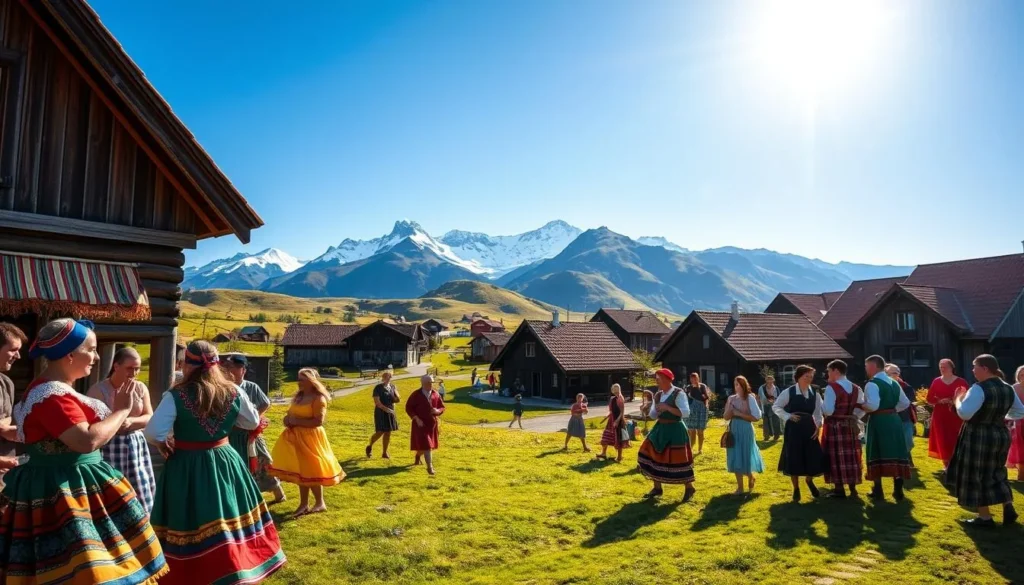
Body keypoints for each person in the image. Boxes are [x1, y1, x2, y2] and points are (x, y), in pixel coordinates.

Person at [1, 318, 167, 584]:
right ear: (69, 355)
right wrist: (121, 410)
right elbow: (85, 440)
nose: (96, 356)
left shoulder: (51, 390)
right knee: (88, 568)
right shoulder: (52, 396)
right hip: (63, 490)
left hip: (64, 483)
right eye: (90, 349)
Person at [146, 340, 284, 584]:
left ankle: (196, 572)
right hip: (225, 460)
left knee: (190, 517)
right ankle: (236, 566)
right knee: (229, 512)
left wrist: (162, 443)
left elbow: (154, 432)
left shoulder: (175, 395)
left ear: (186, 363)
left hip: (187, 464)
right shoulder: (233, 390)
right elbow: (252, 422)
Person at [946, 354, 1024, 526]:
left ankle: (985, 517)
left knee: (976, 473)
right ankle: (1008, 506)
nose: (973, 370)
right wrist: (997, 416)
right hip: (1000, 434)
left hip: (978, 436)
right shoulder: (1007, 388)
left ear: (985, 368)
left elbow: (965, 413)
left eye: (975, 366)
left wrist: (958, 399)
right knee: (997, 471)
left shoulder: (978, 388)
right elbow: (1020, 412)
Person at [86, 346, 157, 513]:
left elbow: (149, 416)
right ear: (116, 366)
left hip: (135, 446)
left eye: (137, 368)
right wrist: (115, 421)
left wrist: (131, 420)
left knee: (139, 488)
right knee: (112, 490)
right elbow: (90, 423)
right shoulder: (98, 390)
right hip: (108, 445)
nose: (133, 373)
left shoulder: (140, 388)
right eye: (129, 368)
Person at [269, 368, 345, 518]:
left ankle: (319, 503)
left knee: (311, 470)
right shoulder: (299, 396)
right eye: (298, 379)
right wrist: (287, 420)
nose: (298, 382)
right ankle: (304, 504)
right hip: (295, 438)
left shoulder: (318, 399)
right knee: (301, 472)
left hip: (311, 438)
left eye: (302, 379)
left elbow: (318, 421)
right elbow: (291, 413)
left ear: (311, 381)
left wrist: (296, 421)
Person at [220, 353, 287, 504]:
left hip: (252, 433)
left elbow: (265, 403)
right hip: (232, 433)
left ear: (242, 370)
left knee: (264, 460)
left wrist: (256, 417)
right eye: (226, 367)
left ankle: (278, 492)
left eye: (232, 367)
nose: (228, 370)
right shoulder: (223, 387)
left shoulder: (251, 387)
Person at [637, 369, 696, 501]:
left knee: (679, 459)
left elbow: (686, 413)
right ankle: (657, 487)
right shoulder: (657, 395)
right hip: (660, 428)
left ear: (666, 379)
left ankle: (689, 487)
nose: (656, 381)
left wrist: (668, 407)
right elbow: (653, 415)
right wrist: (647, 409)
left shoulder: (678, 393)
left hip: (676, 429)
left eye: (658, 379)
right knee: (649, 453)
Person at [861, 354, 912, 501]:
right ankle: (898, 490)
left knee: (876, 451)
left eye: (866, 366)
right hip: (894, 420)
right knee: (896, 451)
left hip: (878, 420)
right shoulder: (894, 382)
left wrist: (861, 405)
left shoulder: (872, 384)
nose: (866, 369)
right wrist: (892, 410)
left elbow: (873, 405)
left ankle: (878, 490)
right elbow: (905, 403)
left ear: (873, 366)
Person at [773, 365, 825, 502]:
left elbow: (818, 413)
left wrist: (818, 426)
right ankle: (796, 489)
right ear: (798, 377)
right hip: (794, 428)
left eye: (811, 376)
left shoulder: (815, 393)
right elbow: (776, 407)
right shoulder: (788, 392)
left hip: (809, 427)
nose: (809, 379)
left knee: (813, 456)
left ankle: (809, 480)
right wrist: (788, 416)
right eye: (806, 376)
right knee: (794, 457)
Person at [821, 360, 864, 499]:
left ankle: (839, 489)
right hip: (850, 425)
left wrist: (819, 407)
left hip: (835, 425)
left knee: (836, 456)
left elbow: (828, 410)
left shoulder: (831, 387)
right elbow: (860, 408)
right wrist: (853, 417)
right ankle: (853, 488)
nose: (828, 374)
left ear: (836, 371)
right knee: (851, 456)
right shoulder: (856, 388)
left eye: (829, 371)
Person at [724, 376, 764, 495]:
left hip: (746, 429)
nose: (738, 387)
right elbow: (725, 417)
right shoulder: (731, 398)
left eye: (740, 384)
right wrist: (730, 409)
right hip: (733, 429)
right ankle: (740, 487)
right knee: (735, 455)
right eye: (736, 384)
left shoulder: (750, 398)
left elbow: (756, 417)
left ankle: (750, 476)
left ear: (745, 385)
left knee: (745, 455)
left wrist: (739, 413)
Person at [927, 359, 968, 471]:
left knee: (956, 437)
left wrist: (954, 400)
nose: (942, 369)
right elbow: (929, 398)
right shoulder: (936, 381)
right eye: (941, 367)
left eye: (945, 366)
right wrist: (939, 401)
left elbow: (966, 397)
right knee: (942, 437)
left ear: (951, 368)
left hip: (955, 414)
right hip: (940, 414)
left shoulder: (961, 381)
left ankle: (957, 462)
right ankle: (946, 465)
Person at [0, 323, 26, 488]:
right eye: (12, 349)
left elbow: (11, 419)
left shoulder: (6, 383)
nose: (18, 356)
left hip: (4, 479)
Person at [406, 374, 445, 475]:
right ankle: (430, 467)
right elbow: (408, 408)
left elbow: (442, 407)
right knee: (427, 446)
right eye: (428, 382)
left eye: (432, 382)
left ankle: (418, 455)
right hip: (420, 425)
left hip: (432, 425)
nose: (431, 384)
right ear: (422, 383)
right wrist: (416, 418)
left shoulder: (436, 394)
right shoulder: (416, 394)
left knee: (427, 446)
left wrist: (437, 411)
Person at [885, 363, 919, 466]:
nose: (895, 375)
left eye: (896, 373)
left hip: (905, 418)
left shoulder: (906, 387)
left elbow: (909, 400)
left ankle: (906, 457)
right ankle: (901, 461)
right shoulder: (884, 386)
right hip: (889, 418)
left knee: (908, 441)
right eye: (892, 373)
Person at [367, 369, 401, 459]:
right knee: (380, 432)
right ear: (382, 377)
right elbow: (377, 403)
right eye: (385, 376)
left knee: (388, 432)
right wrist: (386, 409)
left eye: (389, 376)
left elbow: (397, 400)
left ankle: (384, 453)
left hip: (390, 411)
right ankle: (370, 446)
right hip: (381, 412)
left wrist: (397, 397)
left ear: (391, 377)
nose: (387, 378)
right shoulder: (378, 388)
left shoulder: (393, 387)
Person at [597, 384, 630, 462]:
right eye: (614, 390)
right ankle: (603, 453)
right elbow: (611, 411)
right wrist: (605, 417)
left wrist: (617, 421)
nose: (616, 392)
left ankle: (619, 457)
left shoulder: (621, 398)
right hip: (611, 420)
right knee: (605, 436)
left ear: (619, 390)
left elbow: (622, 412)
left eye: (617, 390)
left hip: (618, 421)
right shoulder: (612, 399)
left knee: (618, 439)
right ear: (612, 390)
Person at [684, 372, 711, 455]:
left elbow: (706, 397)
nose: (693, 380)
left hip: (701, 410)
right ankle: (690, 449)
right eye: (691, 379)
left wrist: (698, 389)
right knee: (691, 430)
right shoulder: (688, 387)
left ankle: (700, 449)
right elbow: (685, 398)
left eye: (695, 378)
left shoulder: (702, 386)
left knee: (700, 431)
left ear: (698, 378)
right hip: (692, 410)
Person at [1006, 366, 1024, 481]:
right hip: (1017, 423)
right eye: (1022, 375)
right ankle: (1021, 474)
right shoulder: (1013, 388)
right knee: (1019, 448)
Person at [758, 375, 783, 441]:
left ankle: (776, 436)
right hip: (765, 406)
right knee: (766, 422)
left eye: (771, 381)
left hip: (774, 406)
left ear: (773, 381)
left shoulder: (776, 388)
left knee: (776, 421)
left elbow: (779, 398)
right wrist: (759, 407)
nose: (770, 382)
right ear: (766, 381)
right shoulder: (762, 388)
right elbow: (759, 397)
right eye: (768, 381)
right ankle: (766, 436)